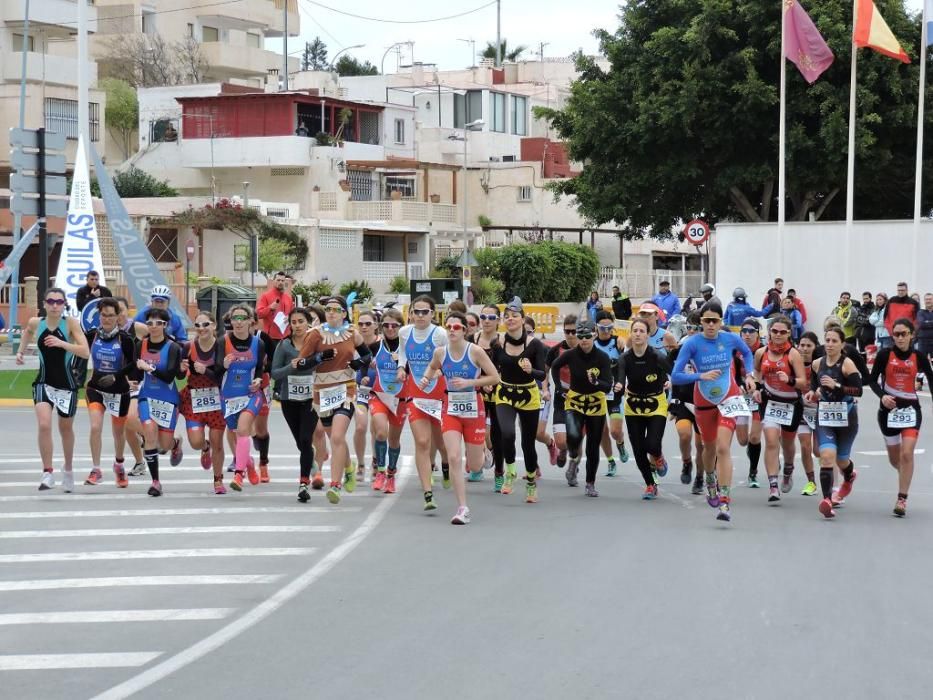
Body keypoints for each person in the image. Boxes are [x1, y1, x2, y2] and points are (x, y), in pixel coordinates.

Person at [671, 302, 757, 523]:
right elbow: (676, 375)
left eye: (715, 321)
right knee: (708, 448)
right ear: (701, 321)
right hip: (704, 400)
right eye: (706, 320)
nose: (710, 325)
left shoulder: (730, 339)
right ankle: (710, 479)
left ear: (721, 322)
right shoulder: (692, 344)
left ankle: (725, 498)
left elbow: (747, 353)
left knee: (722, 447)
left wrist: (749, 375)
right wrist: (700, 376)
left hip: (729, 397)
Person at [419, 311, 500, 523]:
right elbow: (433, 366)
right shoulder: (440, 352)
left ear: (465, 330)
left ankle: (483, 449)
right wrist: (427, 378)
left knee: (474, 466)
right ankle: (462, 508)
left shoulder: (475, 352)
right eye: (449, 327)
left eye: (456, 327)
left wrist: (470, 383)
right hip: (450, 408)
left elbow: (495, 377)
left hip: (474, 407)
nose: (452, 330)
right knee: (454, 457)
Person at [16, 288, 90, 492]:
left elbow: (85, 351)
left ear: (64, 304)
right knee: (44, 425)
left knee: (65, 429)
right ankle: (47, 472)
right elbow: (27, 333)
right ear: (45, 303)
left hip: (66, 384)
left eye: (59, 302)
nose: (55, 305)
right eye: (51, 301)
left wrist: (62, 343)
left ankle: (68, 469)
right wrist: (21, 352)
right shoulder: (35, 323)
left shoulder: (70, 324)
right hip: (43, 382)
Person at [299, 295, 371, 505]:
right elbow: (300, 363)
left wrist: (359, 365)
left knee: (338, 436)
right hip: (322, 392)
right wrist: (320, 358)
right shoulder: (315, 335)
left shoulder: (352, 334)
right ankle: (348, 467)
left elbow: (367, 356)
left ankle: (335, 485)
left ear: (344, 313)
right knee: (334, 438)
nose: (331, 312)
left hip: (346, 389)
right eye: (328, 309)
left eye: (336, 309)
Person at [867, 319, 933, 517]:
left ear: (912, 334)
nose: (900, 338)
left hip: (911, 410)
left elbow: (931, 378)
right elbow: (872, 380)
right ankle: (904, 473)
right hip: (888, 412)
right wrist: (882, 396)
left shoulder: (918, 356)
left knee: (907, 454)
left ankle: (902, 498)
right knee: (896, 460)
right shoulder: (885, 354)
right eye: (896, 334)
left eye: (904, 334)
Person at [395, 295, 449, 510]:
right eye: (416, 311)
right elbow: (402, 353)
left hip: (438, 394)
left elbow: (451, 359)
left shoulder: (440, 334)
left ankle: (445, 464)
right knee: (423, 442)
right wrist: (401, 367)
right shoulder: (404, 332)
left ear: (432, 314)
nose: (419, 316)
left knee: (442, 442)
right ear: (410, 313)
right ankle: (427, 493)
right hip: (415, 394)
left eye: (424, 312)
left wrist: (439, 372)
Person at [272, 308, 331, 503]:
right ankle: (311, 461)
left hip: (311, 399)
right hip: (289, 400)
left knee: (306, 439)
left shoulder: (316, 344)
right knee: (301, 443)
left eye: (301, 321)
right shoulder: (284, 346)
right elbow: (274, 373)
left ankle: (303, 484)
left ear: (309, 323)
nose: (297, 325)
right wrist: (292, 366)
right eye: (293, 322)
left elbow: (324, 366)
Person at [549, 319, 612, 496]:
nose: (584, 340)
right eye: (580, 336)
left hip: (595, 404)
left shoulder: (602, 357)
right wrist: (560, 388)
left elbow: (608, 385)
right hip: (574, 401)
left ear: (594, 335)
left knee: (593, 446)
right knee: (574, 437)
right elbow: (555, 367)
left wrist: (596, 382)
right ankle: (574, 457)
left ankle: (590, 483)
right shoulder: (570, 354)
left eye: (587, 336)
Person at [493, 297, 548, 502]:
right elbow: (491, 365)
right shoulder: (498, 342)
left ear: (523, 319)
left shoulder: (535, 345)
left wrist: (530, 370)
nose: (510, 319)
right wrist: (489, 380)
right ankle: (511, 472)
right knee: (506, 433)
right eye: (506, 316)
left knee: (527, 443)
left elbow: (542, 375)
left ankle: (531, 482)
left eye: (515, 316)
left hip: (528, 396)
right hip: (505, 393)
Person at [806, 327, 863, 519]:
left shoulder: (847, 364)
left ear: (842, 344)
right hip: (825, 416)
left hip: (847, 417)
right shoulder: (816, 363)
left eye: (834, 341)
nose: (829, 345)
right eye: (827, 340)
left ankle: (849, 475)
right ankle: (827, 500)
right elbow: (815, 383)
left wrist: (837, 385)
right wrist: (813, 392)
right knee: (827, 456)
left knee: (841, 460)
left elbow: (858, 391)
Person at [82, 297, 137, 489]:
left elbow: (133, 365)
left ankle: (119, 464)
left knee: (118, 432)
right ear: (99, 316)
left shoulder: (125, 339)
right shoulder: (91, 335)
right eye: (104, 315)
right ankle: (96, 469)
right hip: (96, 388)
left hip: (119, 391)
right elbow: (80, 355)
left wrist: (116, 375)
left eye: (111, 316)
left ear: (118, 317)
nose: (107, 319)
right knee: (95, 427)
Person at [752, 315, 807, 504]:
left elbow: (803, 382)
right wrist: (757, 389)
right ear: (769, 332)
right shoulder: (761, 352)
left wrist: (790, 380)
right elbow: (756, 373)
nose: (777, 335)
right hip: (770, 402)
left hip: (791, 404)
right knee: (771, 440)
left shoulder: (793, 354)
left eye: (782, 332)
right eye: (774, 331)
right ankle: (773, 484)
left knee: (788, 444)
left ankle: (788, 468)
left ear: (789, 333)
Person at [619, 318, 672, 499]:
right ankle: (650, 484)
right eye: (635, 331)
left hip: (656, 403)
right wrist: (618, 386)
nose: (638, 334)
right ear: (631, 334)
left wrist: (670, 381)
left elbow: (674, 371)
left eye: (642, 331)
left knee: (652, 444)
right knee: (639, 449)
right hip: (633, 405)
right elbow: (619, 378)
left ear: (648, 335)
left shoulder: (656, 356)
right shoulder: (625, 358)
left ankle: (658, 456)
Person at [135, 307, 186, 497]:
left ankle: (175, 443)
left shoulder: (173, 348)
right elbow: (134, 368)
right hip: (147, 395)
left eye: (158, 323)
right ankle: (155, 482)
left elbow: (169, 376)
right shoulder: (140, 345)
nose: (153, 326)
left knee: (163, 444)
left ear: (165, 325)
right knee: (149, 432)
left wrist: (149, 368)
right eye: (149, 323)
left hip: (168, 398)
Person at [216, 305, 267, 492]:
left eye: (242, 318)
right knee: (237, 433)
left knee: (244, 428)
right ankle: (249, 463)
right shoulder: (222, 342)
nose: (238, 322)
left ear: (250, 321)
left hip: (250, 394)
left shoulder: (258, 344)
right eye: (234, 318)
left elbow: (260, 369)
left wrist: (259, 380)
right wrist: (224, 365)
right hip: (228, 396)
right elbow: (215, 373)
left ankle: (239, 474)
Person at [177, 311, 228, 494]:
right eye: (197, 326)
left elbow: (222, 376)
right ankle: (204, 447)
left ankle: (218, 479)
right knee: (196, 442)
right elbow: (180, 376)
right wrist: (181, 370)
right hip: (194, 398)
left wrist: (205, 370)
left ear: (214, 326)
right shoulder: (188, 347)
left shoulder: (221, 346)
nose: (201, 329)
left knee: (218, 443)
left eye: (205, 325)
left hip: (216, 398)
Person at [368, 308, 407, 494]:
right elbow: (362, 368)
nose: (390, 328)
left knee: (394, 439)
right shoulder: (375, 346)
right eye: (386, 325)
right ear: (381, 326)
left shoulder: (407, 348)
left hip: (400, 398)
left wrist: (404, 372)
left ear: (401, 326)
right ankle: (381, 472)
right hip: (379, 396)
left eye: (394, 325)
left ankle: (391, 475)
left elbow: (416, 370)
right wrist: (367, 373)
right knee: (381, 433)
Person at [667, 312, 705, 494]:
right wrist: (673, 400)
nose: (692, 332)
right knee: (684, 435)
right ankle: (686, 462)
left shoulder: (710, 350)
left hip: (704, 401)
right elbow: (669, 372)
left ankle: (699, 477)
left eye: (697, 328)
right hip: (683, 400)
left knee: (701, 445)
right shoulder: (680, 348)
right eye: (689, 327)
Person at [594, 311, 630, 477]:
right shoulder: (591, 344)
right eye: (603, 327)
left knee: (615, 431)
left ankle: (621, 444)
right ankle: (610, 461)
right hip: (597, 394)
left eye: (610, 327)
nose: (606, 331)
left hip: (614, 394)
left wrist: (622, 385)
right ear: (596, 327)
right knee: (601, 431)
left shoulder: (618, 343)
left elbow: (625, 366)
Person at [473, 304, 505, 490]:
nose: (486, 321)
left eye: (491, 318)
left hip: (499, 393)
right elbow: (468, 365)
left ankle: (499, 472)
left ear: (498, 321)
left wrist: (494, 381)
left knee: (498, 435)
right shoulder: (474, 339)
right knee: (474, 433)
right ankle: (476, 465)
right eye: (483, 317)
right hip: (477, 392)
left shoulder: (503, 341)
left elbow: (508, 367)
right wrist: (481, 381)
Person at [545, 315, 580, 470]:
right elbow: (543, 372)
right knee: (560, 441)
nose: (571, 335)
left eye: (574, 331)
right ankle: (562, 450)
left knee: (576, 438)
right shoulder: (555, 350)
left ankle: (574, 465)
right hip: (562, 398)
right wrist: (545, 388)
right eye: (567, 331)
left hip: (581, 401)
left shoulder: (585, 349)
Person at [735, 319, 763, 488]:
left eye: (751, 331)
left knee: (754, 437)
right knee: (743, 440)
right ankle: (752, 450)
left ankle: (753, 472)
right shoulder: (736, 350)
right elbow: (731, 372)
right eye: (744, 331)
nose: (747, 334)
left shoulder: (763, 350)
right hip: (742, 398)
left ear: (758, 333)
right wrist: (739, 385)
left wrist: (759, 387)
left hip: (759, 398)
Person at [352, 310, 380, 482]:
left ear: (376, 325)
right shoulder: (353, 343)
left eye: (368, 323)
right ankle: (361, 463)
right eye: (361, 324)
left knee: (377, 429)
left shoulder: (383, 344)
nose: (364, 327)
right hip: (360, 392)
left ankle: (376, 463)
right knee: (361, 427)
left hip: (379, 392)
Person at [795, 332, 821, 497]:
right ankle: (811, 482)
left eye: (808, 345)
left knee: (819, 451)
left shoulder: (820, 364)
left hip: (820, 410)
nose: (804, 349)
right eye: (802, 345)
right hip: (802, 411)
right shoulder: (793, 363)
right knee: (805, 446)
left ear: (815, 347)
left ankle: (842, 468)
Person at [256, 271, 295, 344]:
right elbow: (258, 314)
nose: (280, 282)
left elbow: (293, 313)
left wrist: (289, 317)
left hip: (286, 336)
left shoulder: (288, 298)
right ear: (274, 281)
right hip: (271, 337)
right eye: (278, 280)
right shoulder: (265, 296)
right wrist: (270, 308)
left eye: (282, 280)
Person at [855, 292, 876, 357]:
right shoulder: (861, 308)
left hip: (870, 336)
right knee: (862, 355)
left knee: (870, 355)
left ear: (870, 298)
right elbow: (857, 319)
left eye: (867, 298)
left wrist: (863, 319)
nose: (865, 300)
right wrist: (864, 319)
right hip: (860, 335)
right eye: (864, 299)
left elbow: (869, 321)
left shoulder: (874, 308)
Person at [915, 293, 933, 364]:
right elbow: (921, 324)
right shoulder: (920, 312)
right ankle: (921, 374)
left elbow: (924, 324)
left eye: (930, 299)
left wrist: (927, 322)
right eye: (926, 299)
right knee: (921, 362)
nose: (928, 301)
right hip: (923, 341)